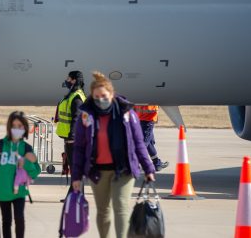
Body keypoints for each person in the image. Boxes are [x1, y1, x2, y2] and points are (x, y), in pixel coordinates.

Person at [71, 72, 156, 238]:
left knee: (121, 207)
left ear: (112, 94)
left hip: (123, 170)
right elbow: (79, 148)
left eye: (104, 96)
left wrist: (148, 168)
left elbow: (138, 143)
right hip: (98, 171)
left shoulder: (127, 114)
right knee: (103, 211)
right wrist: (76, 176)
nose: (100, 100)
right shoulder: (86, 115)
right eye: (96, 97)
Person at [0, 111, 40, 238]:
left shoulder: (27, 148)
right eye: (14, 126)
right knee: (6, 221)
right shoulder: (0, 146)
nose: (17, 129)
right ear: (9, 127)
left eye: (20, 126)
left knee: (19, 218)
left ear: (24, 128)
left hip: (19, 191)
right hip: (3, 191)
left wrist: (25, 163)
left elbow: (36, 172)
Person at [54, 70, 86, 181]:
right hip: (68, 137)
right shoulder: (72, 95)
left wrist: (72, 137)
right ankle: (72, 196)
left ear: (74, 80)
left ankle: (77, 196)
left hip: (73, 139)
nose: (66, 81)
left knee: (75, 169)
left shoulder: (76, 98)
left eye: (68, 79)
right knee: (73, 169)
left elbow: (76, 119)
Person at [133, 104, 169, 171]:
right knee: (144, 144)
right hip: (148, 120)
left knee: (150, 143)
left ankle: (157, 163)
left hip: (140, 119)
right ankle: (133, 164)